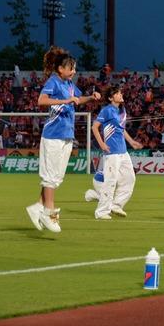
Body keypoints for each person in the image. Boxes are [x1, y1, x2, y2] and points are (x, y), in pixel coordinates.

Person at [26, 46, 101, 233]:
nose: (74, 71)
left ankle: (37, 206)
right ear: (61, 69)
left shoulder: (69, 85)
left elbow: (77, 99)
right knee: (50, 177)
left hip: (67, 136)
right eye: (71, 68)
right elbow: (41, 101)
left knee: (57, 178)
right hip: (53, 136)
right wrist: (65, 101)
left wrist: (90, 97)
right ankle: (49, 212)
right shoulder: (54, 81)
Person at [91, 84, 143, 220]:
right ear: (110, 98)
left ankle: (116, 205)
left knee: (130, 178)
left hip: (123, 151)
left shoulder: (122, 111)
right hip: (112, 152)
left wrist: (131, 142)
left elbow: (121, 129)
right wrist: (102, 144)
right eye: (118, 93)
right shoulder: (107, 110)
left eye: (120, 92)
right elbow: (94, 127)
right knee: (110, 181)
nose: (121, 94)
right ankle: (101, 212)